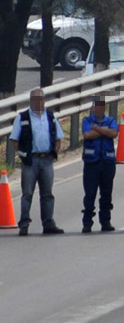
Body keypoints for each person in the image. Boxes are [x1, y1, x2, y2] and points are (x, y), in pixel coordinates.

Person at [9, 87, 65, 235]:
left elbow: (58, 137)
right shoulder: (22, 117)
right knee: (27, 193)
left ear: (44, 100)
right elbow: (14, 140)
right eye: (34, 99)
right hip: (30, 161)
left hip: (47, 159)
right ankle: (24, 224)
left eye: (40, 99)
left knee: (47, 194)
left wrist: (54, 152)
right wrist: (23, 154)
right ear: (30, 101)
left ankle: (48, 224)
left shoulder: (50, 116)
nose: (38, 102)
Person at [80, 97, 119, 233]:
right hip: (92, 163)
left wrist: (97, 129)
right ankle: (87, 222)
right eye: (97, 106)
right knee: (90, 194)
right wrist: (103, 131)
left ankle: (106, 221)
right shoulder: (87, 120)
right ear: (93, 108)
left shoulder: (111, 120)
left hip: (107, 162)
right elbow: (87, 135)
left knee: (106, 193)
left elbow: (113, 133)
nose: (99, 109)